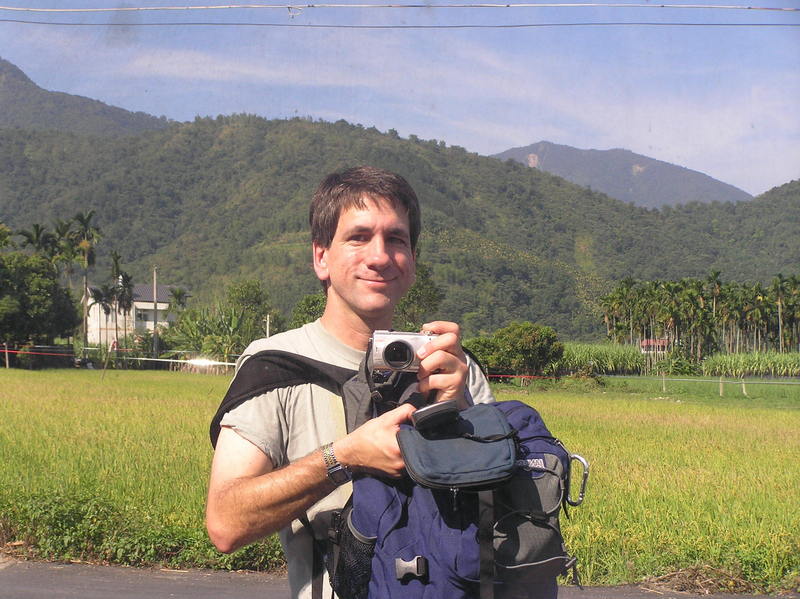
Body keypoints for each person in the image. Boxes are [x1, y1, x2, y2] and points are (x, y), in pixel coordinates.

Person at [205, 166, 495, 599]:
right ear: (321, 257)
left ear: (412, 261)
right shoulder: (274, 366)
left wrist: (461, 415)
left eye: (396, 239)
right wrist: (344, 457)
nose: (379, 256)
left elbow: (505, 518)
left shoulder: (454, 367)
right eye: (358, 237)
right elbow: (226, 523)